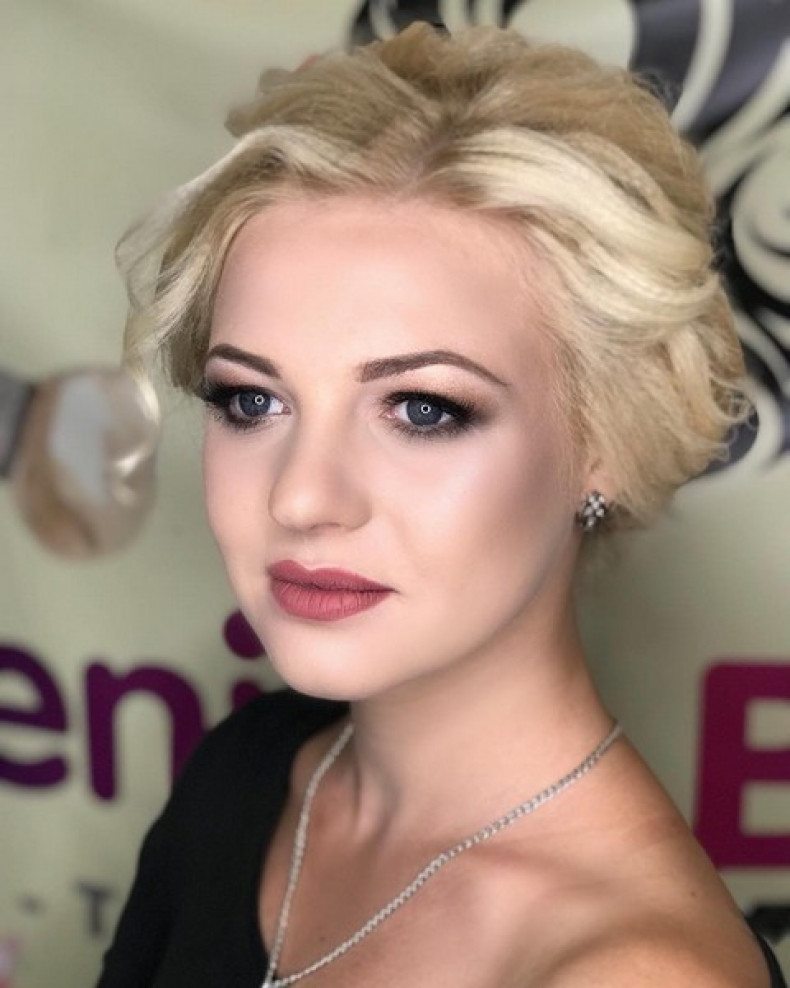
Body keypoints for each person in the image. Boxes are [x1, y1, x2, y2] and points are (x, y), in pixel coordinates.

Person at [97, 22, 786, 988]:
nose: (302, 496)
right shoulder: (247, 774)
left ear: (605, 443)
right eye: (251, 401)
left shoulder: (634, 971)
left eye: (422, 409)